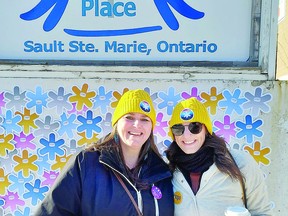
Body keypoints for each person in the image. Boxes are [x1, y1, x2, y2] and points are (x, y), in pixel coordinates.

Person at [35, 89, 174, 216]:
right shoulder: (86, 164)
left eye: (144, 119)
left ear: (151, 127)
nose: (137, 125)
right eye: (129, 117)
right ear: (117, 123)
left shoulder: (162, 174)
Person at [166, 97, 273, 216]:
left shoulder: (240, 162)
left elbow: (262, 212)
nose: (186, 135)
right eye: (178, 128)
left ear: (206, 129)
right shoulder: (168, 169)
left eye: (195, 127)